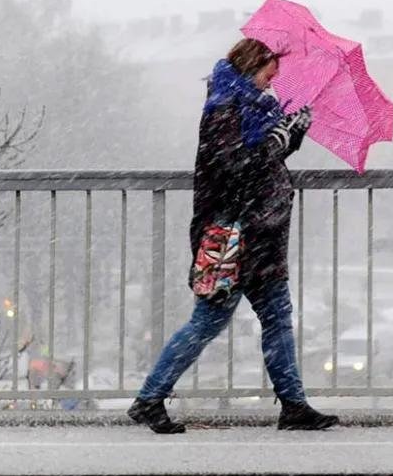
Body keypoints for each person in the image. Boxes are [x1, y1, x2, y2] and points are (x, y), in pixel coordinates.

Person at [128, 38, 339, 434]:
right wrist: (275, 143)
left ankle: (293, 405)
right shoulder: (224, 107)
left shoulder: (253, 106)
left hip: (261, 234)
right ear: (250, 66)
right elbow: (233, 166)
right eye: (267, 74)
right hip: (235, 235)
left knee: (276, 319)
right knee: (207, 323)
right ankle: (149, 398)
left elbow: (261, 160)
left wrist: (294, 133)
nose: (270, 82)